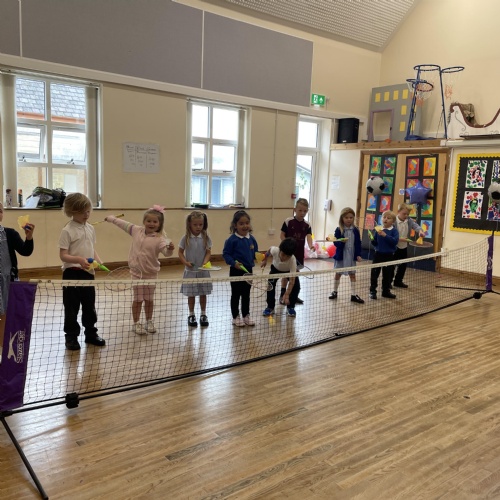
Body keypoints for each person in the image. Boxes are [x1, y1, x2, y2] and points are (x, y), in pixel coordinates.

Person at [105, 205, 174, 335]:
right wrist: (112, 219)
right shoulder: (136, 230)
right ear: (144, 221)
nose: (151, 223)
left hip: (151, 275)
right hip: (137, 274)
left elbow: (166, 253)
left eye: (155, 221)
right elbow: (123, 224)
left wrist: (170, 249)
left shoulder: (160, 239)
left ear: (160, 224)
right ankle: (136, 323)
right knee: (138, 300)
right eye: (149, 221)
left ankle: (149, 321)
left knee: (149, 300)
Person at [59, 193, 106, 351]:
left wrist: (98, 260)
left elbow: (91, 248)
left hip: (88, 273)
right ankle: (71, 337)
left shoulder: (90, 228)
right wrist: (79, 260)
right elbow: (63, 255)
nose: (86, 214)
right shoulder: (67, 230)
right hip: (71, 274)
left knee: (89, 305)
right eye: (82, 212)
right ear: (72, 212)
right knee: (71, 307)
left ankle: (91, 334)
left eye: (88, 211)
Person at [0, 202, 35, 362]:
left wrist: (29, 237)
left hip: (8, 281)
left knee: (5, 315)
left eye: (0, 211)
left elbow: (26, 251)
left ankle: (2, 350)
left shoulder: (10, 234)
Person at [222, 210, 259, 327]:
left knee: (246, 294)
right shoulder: (231, 240)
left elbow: (256, 253)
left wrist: (261, 259)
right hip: (235, 271)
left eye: (247, 223)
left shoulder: (252, 239)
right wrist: (233, 263)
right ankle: (235, 316)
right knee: (236, 294)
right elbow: (226, 254)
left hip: (248, 271)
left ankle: (246, 315)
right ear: (235, 225)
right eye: (241, 223)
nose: (245, 226)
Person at [178, 211, 212, 328]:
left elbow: (208, 252)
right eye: (195, 225)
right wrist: (185, 262)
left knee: (203, 293)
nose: (198, 227)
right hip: (190, 272)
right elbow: (180, 253)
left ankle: (203, 314)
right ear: (190, 225)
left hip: (203, 272)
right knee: (191, 294)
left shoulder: (206, 238)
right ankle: (191, 315)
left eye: (200, 224)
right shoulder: (185, 238)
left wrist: (205, 261)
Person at [280, 198, 314, 305]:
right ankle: (282, 294)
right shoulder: (288, 221)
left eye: (305, 211)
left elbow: (309, 237)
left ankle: (294, 295)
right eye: (300, 210)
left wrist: (311, 245)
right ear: (295, 210)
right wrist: (286, 246)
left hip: (299, 253)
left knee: (295, 274)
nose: (302, 213)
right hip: (288, 253)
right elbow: (282, 235)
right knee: (286, 274)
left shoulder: (307, 225)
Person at [329, 207, 364, 303]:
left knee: (352, 274)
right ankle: (334, 291)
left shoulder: (356, 230)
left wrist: (358, 254)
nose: (349, 219)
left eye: (351, 217)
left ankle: (353, 295)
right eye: (346, 217)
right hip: (341, 256)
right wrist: (342, 242)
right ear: (342, 218)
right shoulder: (338, 229)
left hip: (351, 255)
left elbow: (358, 243)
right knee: (338, 274)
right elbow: (336, 243)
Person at [261, 237, 300, 317]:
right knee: (270, 287)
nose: (284, 258)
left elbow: (292, 280)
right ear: (280, 250)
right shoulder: (275, 250)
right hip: (275, 269)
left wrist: (287, 294)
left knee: (296, 287)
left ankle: (290, 307)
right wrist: (265, 259)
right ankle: (270, 307)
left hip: (288, 271)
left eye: (287, 256)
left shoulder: (292, 260)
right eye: (283, 254)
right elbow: (269, 250)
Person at [393, 202, 426, 288]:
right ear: (398, 212)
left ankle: (398, 281)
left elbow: (416, 226)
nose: (406, 216)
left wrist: (420, 231)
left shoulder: (409, 220)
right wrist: (400, 239)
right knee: (391, 266)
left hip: (404, 246)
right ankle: (388, 283)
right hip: (394, 247)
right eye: (404, 214)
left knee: (403, 265)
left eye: (408, 214)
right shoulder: (393, 221)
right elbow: (390, 235)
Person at [369, 210, 399, 300]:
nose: (385, 219)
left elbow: (394, 242)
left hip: (389, 256)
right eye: (384, 217)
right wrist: (372, 239)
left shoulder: (394, 231)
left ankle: (385, 291)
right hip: (378, 255)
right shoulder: (378, 229)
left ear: (393, 221)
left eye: (388, 218)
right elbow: (375, 243)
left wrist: (385, 235)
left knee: (387, 275)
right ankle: (372, 291)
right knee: (374, 274)